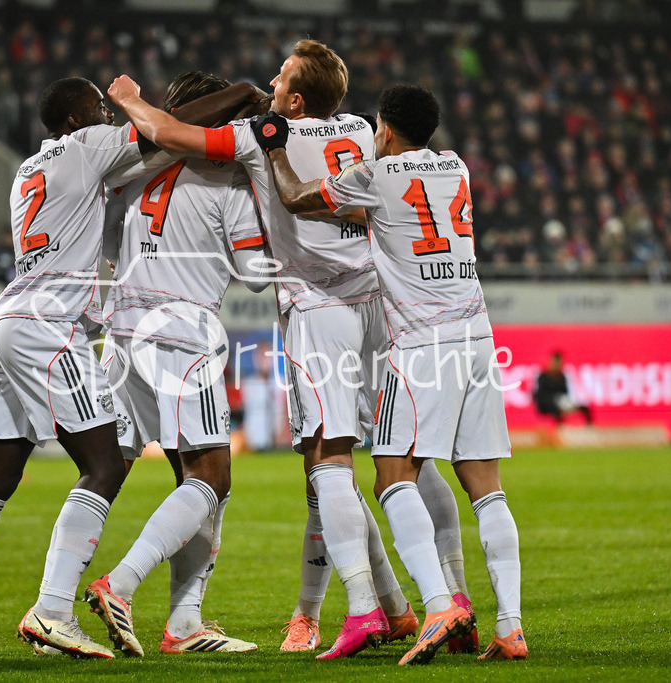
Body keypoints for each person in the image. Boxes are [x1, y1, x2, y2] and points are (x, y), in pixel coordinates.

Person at [105, 40, 460, 661]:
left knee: (326, 466)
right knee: (401, 460)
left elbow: (168, 133)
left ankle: (364, 611)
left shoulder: (256, 137)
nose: (268, 81)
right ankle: (422, 604)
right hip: (381, 303)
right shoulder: (357, 128)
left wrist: (131, 98)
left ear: (293, 100)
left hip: (319, 310)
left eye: (280, 77)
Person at [0, 75, 261, 659]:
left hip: (7, 319)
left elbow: (145, 153)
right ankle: (53, 611)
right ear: (74, 122)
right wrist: (243, 96)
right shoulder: (88, 148)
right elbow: (161, 130)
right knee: (103, 466)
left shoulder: (29, 169)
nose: (106, 116)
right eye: (97, 108)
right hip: (49, 329)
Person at [254, 83, 527, 663]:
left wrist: (276, 150)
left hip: (422, 344)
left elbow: (301, 198)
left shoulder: (375, 176)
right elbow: (401, 213)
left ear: (383, 129)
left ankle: (437, 606)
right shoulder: (455, 167)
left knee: (389, 473)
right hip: (478, 337)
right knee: (485, 484)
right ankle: (510, 625)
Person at [85, 71, 270, 657]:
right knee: (213, 478)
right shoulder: (227, 178)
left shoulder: (142, 174)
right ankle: (121, 584)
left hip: (123, 331)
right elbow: (256, 277)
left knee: (148, 474)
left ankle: (179, 623)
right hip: (182, 333)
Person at [534, 351, 593, 424]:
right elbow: (539, 395)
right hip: (548, 404)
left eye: (559, 363)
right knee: (556, 409)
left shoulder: (562, 377)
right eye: (555, 363)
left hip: (562, 402)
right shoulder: (543, 377)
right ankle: (558, 429)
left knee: (584, 407)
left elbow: (566, 393)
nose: (557, 365)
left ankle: (590, 429)